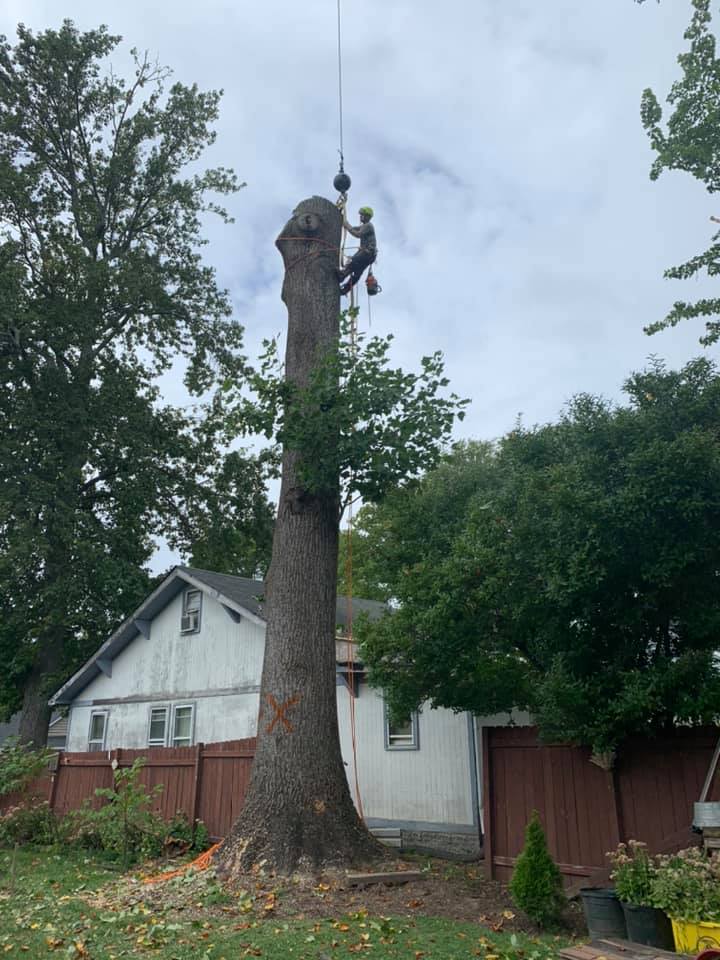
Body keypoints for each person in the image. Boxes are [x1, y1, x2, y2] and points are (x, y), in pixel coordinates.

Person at [339, 206, 376, 295]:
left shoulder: (368, 225)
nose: (360, 217)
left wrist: (346, 225)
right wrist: (345, 224)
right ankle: (345, 289)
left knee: (354, 261)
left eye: (362, 215)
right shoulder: (364, 226)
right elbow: (355, 228)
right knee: (357, 272)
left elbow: (357, 234)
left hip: (367, 253)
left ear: (367, 216)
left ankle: (343, 275)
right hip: (369, 255)